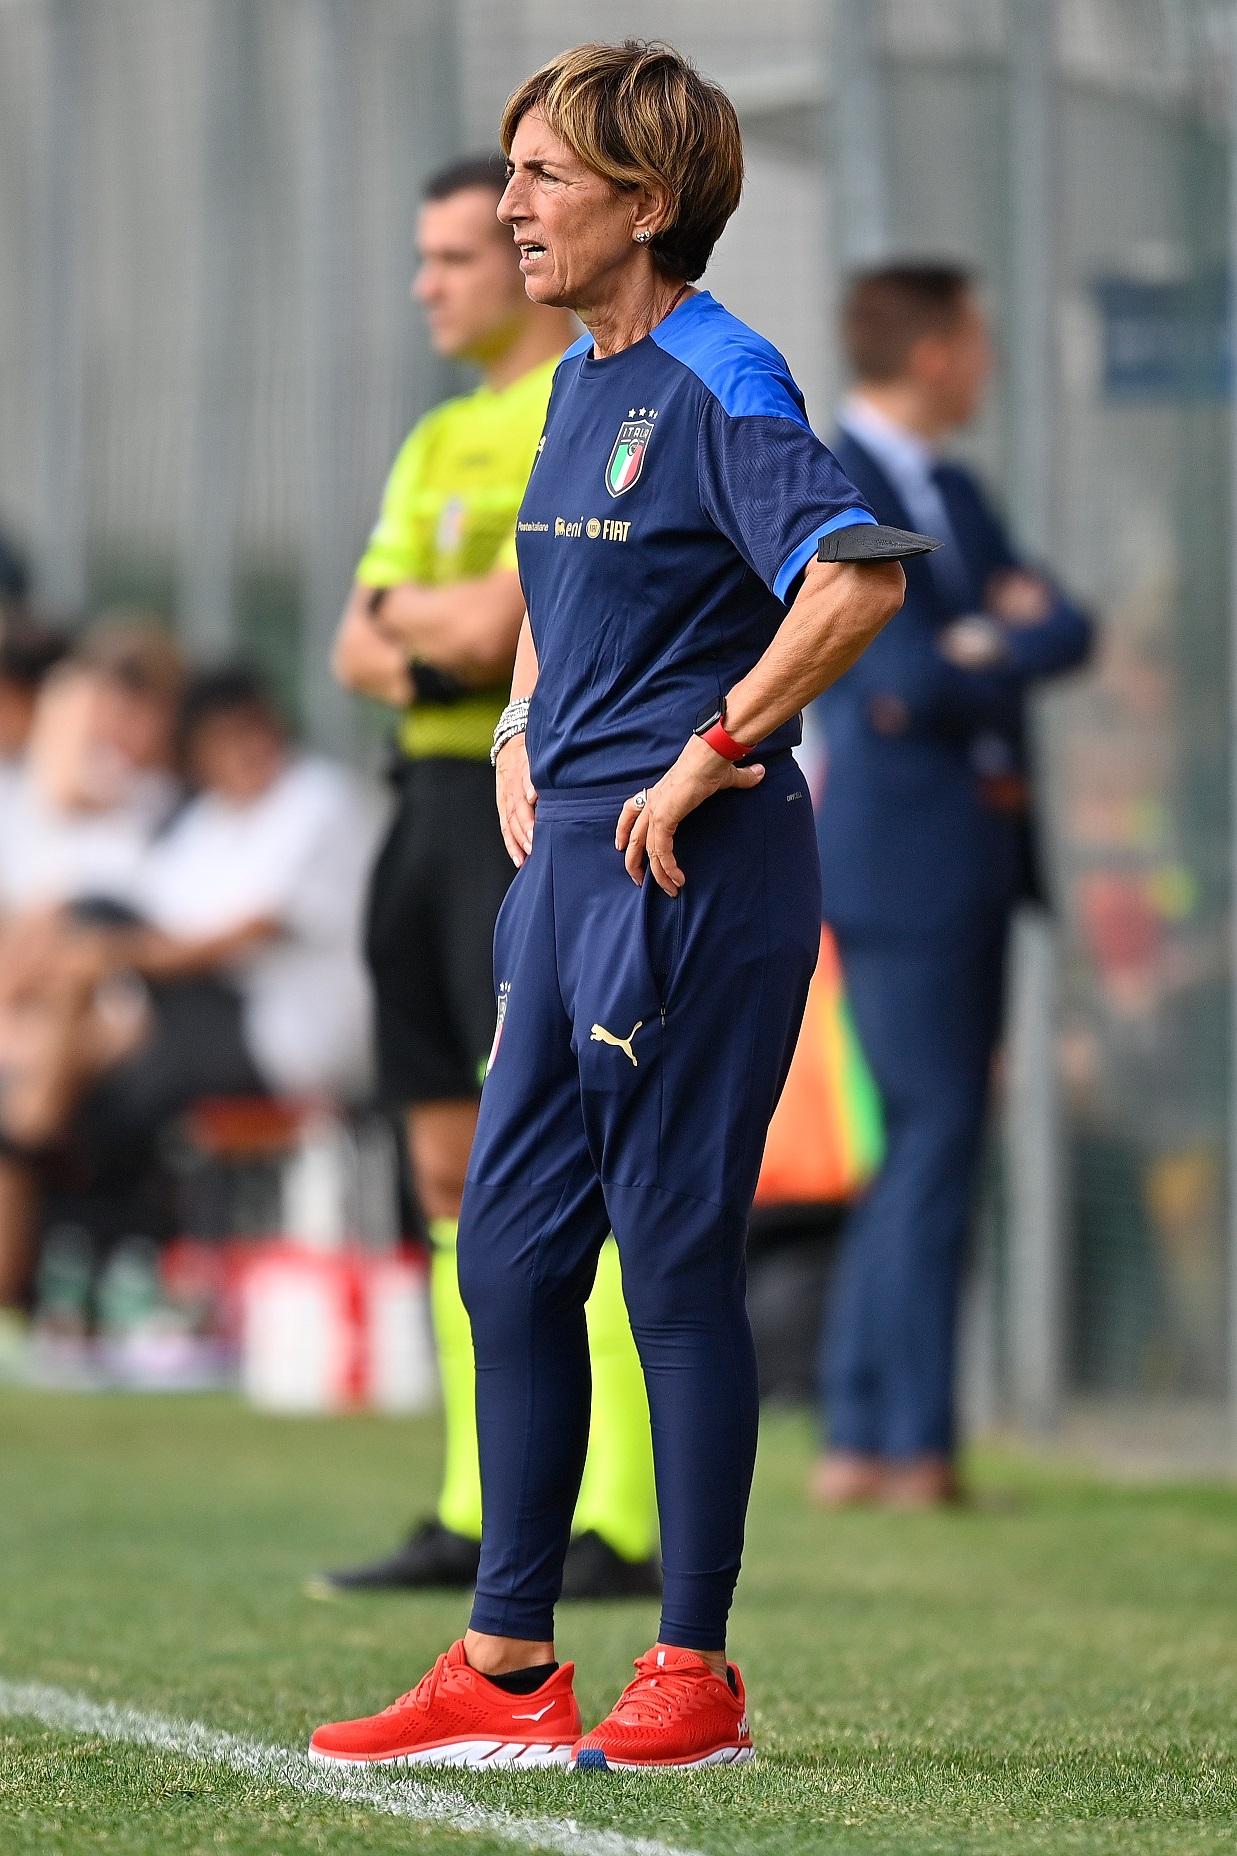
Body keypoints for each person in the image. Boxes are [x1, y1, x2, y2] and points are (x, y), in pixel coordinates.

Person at [310, 39, 904, 1775]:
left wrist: (716, 744)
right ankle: (505, 1663)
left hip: (687, 869)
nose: (508, 208)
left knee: (675, 1264)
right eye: (507, 177)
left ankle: (693, 1669)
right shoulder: (582, 380)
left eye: (544, 178)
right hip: (559, 865)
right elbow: (556, 584)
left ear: (646, 204)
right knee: (506, 1258)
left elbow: (853, 577)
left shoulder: (727, 378)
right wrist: (513, 715)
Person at [326, 153, 659, 1601]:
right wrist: (426, 627)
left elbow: (486, 629)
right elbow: (367, 644)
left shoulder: (584, 404)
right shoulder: (435, 437)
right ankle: (477, 1502)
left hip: (527, 800)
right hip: (423, 812)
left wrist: (422, 624)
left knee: (574, 1152)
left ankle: (617, 1520)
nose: (432, 283)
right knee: (446, 1166)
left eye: (455, 254)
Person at [810, 264, 1094, 1509]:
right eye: (976, 344)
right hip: (902, 867)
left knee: (927, 1144)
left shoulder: (955, 492)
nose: (986, 366)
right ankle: (904, 1437)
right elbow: (901, 680)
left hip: (968, 862)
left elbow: (1068, 627)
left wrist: (992, 638)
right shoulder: (844, 477)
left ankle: (869, 1431)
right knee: (932, 1136)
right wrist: (991, 635)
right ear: (932, 354)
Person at [0, 665, 379, 1314]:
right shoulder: (208, 821)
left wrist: (106, 954)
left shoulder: (315, 799)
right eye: (223, 738)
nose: (244, 751)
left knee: (96, 924)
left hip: (288, 1039)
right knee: (95, 1073)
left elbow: (231, 938)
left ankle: (34, 1121)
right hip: (212, 1024)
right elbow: (154, 927)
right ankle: (37, 1109)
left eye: (251, 732)